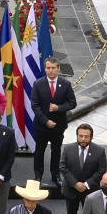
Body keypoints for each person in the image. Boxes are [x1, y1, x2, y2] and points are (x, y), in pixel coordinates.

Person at [58, 123, 107, 214]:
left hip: (89, 191)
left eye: (86, 136)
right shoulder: (68, 149)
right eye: (81, 136)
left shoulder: (99, 151)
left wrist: (86, 184)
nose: (83, 139)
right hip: (71, 190)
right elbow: (63, 167)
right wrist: (75, 183)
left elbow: (101, 171)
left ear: (91, 137)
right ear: (77, 136)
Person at [30, 56, 77, 188]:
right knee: (39, 150)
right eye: (48, 68)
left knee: (56, 151)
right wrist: (46, 121)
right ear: (45, 69)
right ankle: (38, 175)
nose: (50, 71)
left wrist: (59, 108)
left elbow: (72, 103)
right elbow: (35, 105)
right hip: (42, 125)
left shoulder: (65, 84)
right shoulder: (38, 84)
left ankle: (55, 175)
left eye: (53, 68)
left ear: (58, 68)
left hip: (58, 126)